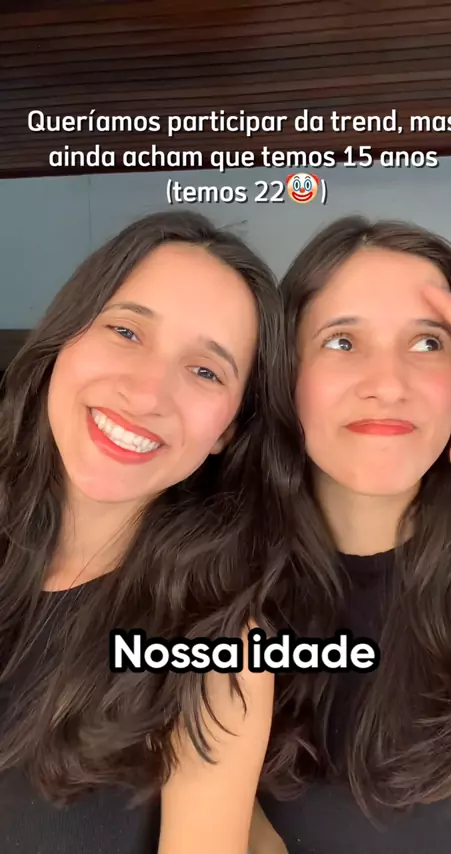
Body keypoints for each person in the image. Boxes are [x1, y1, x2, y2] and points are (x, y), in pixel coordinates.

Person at [0, 211, 299, 854]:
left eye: (206, 371)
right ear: (66, 334)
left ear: (227, 430)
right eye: (127, 331)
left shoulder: (220, 655)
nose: (145, 394)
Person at [255, 216, 451, 854]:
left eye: (428, 343)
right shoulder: (214, 579)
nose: (387, 384)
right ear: (286, 372)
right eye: (342, 341)